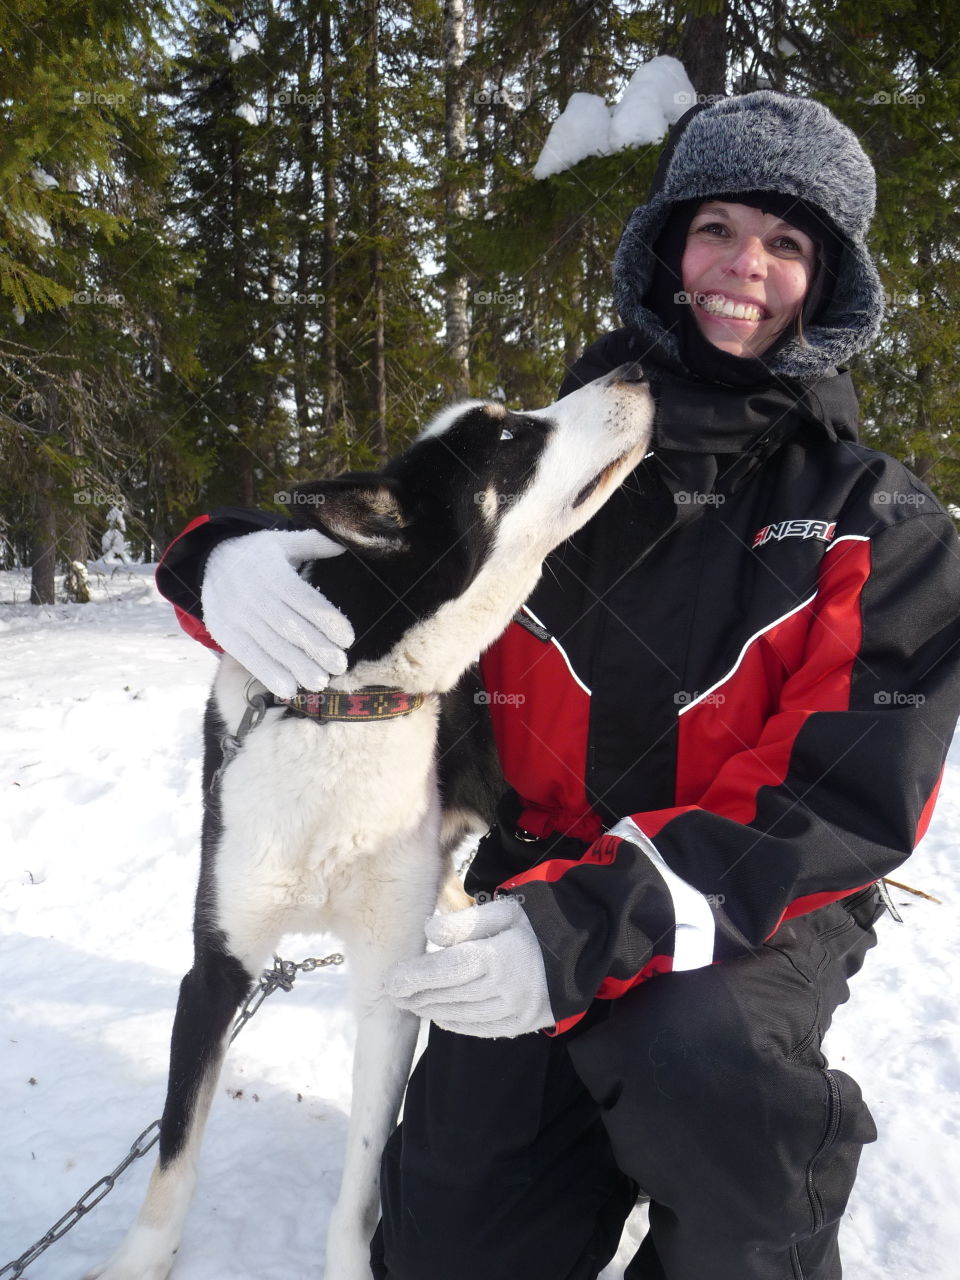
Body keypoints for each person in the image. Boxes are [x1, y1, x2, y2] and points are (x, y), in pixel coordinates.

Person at [155, 92, 960, 1280]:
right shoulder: (564, 461)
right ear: (667, 251)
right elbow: (380, 552)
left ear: (826, 287)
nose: (747, 265)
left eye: (788, 245)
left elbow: (842, 799)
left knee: (700, 1060)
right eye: (719, 227)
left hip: (745, 918)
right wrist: (215, 557)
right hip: (532, 888)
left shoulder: (873, 519)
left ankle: (751, 1213)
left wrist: (593, 926)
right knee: (448, 1250)